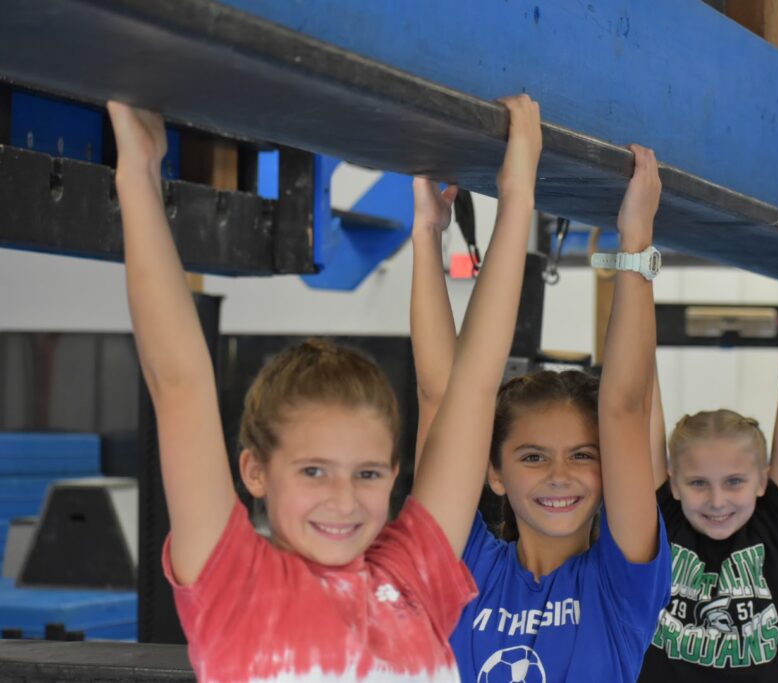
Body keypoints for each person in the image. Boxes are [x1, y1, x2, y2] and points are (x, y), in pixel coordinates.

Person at [108, 93, 541, 682]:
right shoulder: (236, 583)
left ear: (393, 475)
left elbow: (472, 388)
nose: (344, 499)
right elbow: (178, 380)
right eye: (314, 470)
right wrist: (138, 172)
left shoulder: (410, 580)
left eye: (367, 472)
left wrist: (515, 200)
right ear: (255, 470)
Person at [411, 145, 671, 682]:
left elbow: (623, 409)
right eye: (532, 456)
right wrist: (425, 233)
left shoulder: (622, 585)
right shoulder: (466, 569)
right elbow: (441, 401)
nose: (560, 474)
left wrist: (636, 244)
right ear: (495, 473)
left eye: (582, 454)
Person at [638, 212, 778, 681]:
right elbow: (641, 391)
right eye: (699, 483)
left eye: (735, 482)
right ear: (674, 482)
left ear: (764, 479)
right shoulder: (663, 519)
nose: (718, 500)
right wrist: (638, 263)